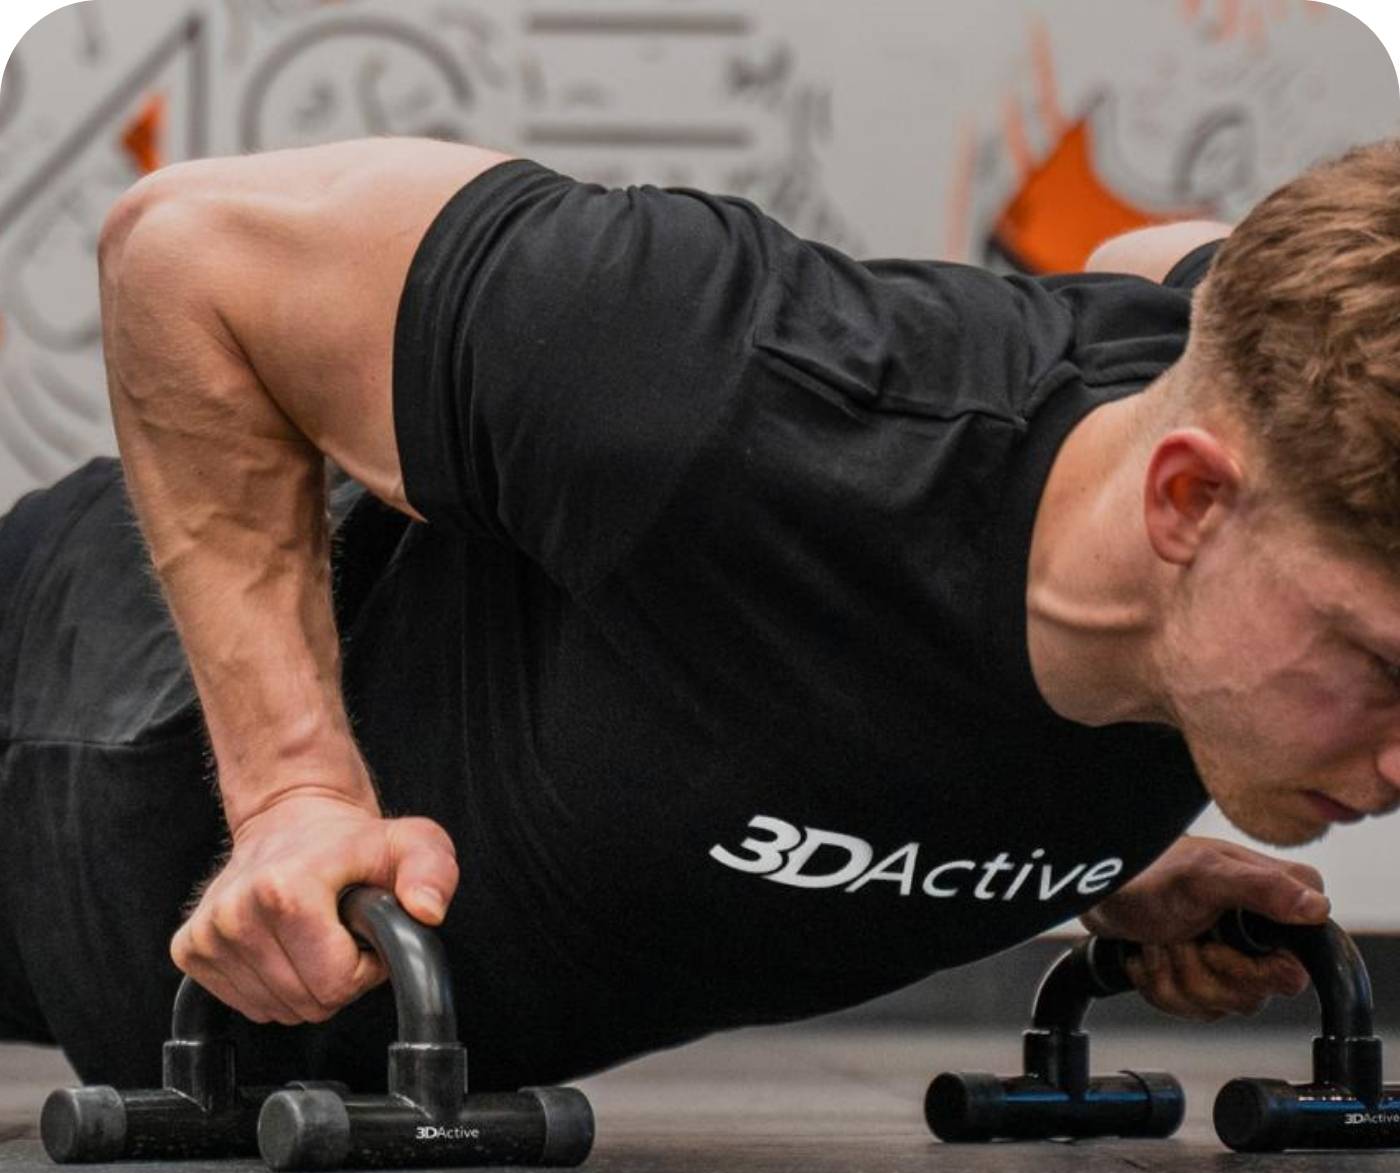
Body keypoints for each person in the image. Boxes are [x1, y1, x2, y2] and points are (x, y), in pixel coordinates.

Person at [8, 134, 1394, 1095]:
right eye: (1379, 668)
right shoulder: (720, 381)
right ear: (1187, 505)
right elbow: (180, 249)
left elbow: (1184, 261)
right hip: (88, 763)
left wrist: (1078, 851)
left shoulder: (1220, 416)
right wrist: (295, 796)